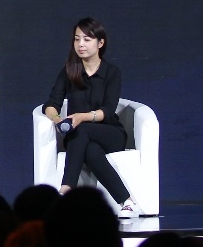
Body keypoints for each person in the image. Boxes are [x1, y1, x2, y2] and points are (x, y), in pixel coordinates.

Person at [42, 17, 141, 218]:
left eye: (87, 40)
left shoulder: (111, 72)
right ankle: (128, 202)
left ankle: (66, 189)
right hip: (80, 137)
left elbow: (109, 110)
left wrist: (82, 117)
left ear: (100, 43)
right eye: (77, 39)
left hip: (110, 133)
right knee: (91, 151)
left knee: (81, 129)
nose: (81, 44)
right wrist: (58, 120)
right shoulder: (69, 71)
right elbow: (51, 104)